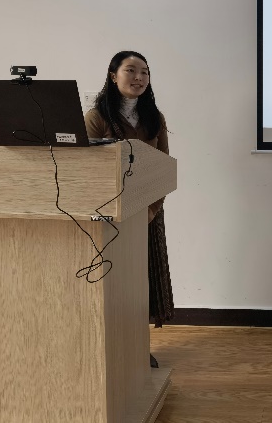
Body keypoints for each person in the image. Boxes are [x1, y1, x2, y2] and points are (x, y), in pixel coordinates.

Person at [84, 51, 173, 368]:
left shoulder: (155, 118)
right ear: (113, 76)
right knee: (111, 285)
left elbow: (164, 168)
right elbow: (87, 170)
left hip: (147, 214)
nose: (139, 77)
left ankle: (137, 347)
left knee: (140, 285)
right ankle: (107, 348)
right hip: (108, 217)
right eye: (131, 70)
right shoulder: (96, 118)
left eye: (144, 72)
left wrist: (149, 211)